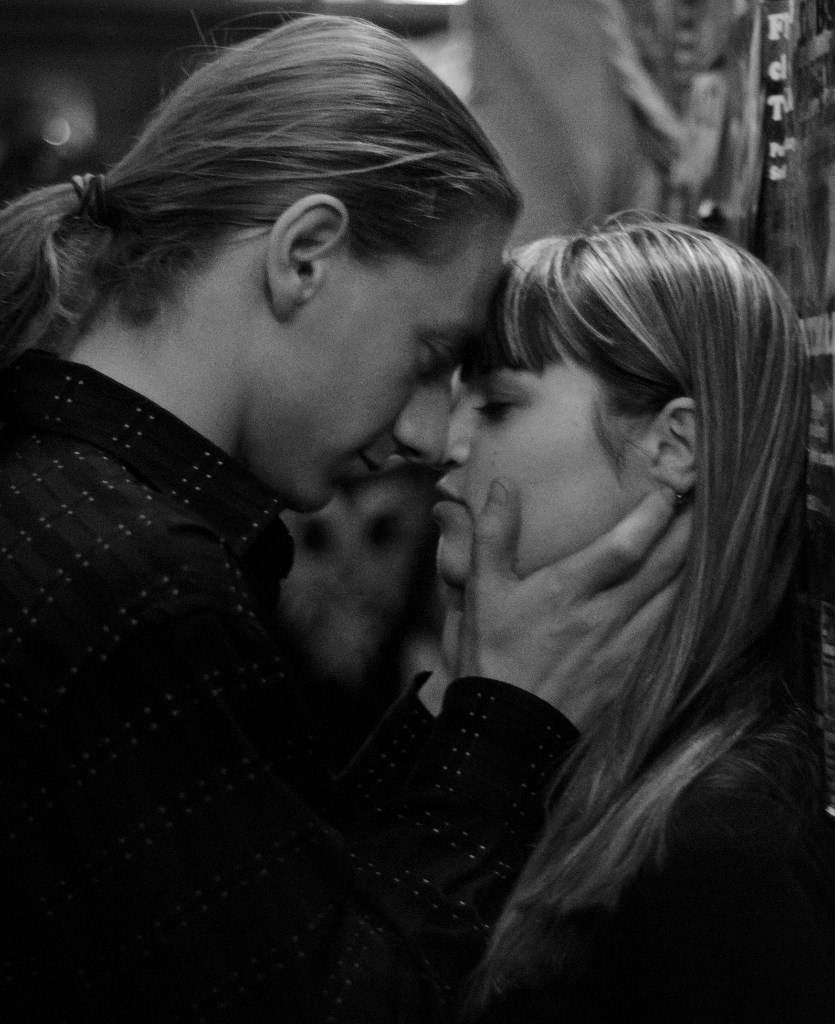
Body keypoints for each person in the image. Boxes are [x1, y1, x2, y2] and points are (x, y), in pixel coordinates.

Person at [0, 16, 685, 1024]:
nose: (425, 435)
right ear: (306, 254)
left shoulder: (72, 492)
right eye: (428, 356)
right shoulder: (138, 583)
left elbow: (264, 908)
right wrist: (511, 719)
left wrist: (457, 706)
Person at [431, 219, 835, 1023]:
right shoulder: (583, 769)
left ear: (675, 445)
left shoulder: (720, 852)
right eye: (453, 400)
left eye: (498, 404)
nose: (443, 443)